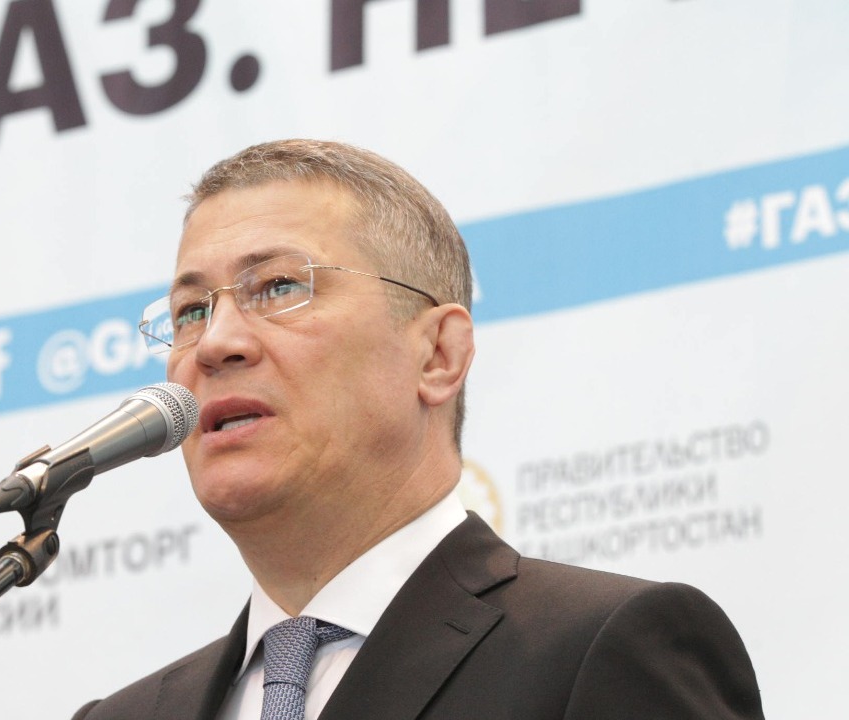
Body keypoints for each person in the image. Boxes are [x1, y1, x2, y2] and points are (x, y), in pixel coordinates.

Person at [73, 140, 764, 719]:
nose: (216, 342)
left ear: (438, 355)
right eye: (191, 311)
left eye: (279, 287)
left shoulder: (600, 649)